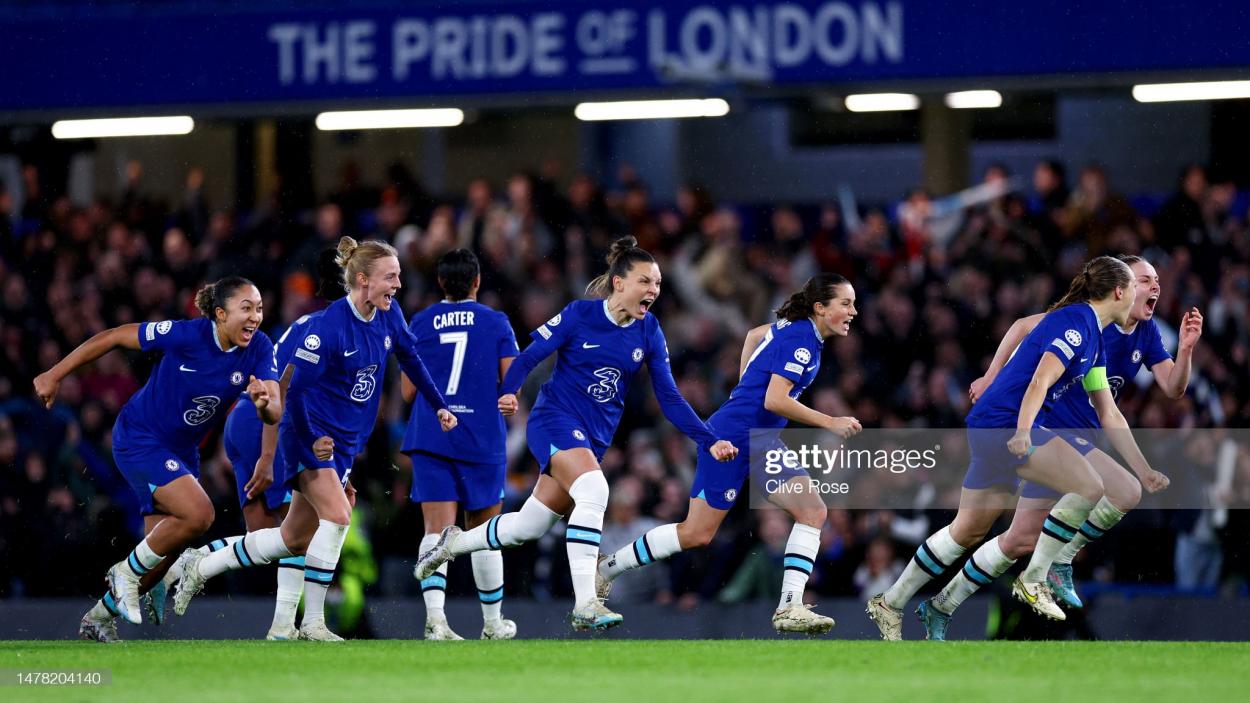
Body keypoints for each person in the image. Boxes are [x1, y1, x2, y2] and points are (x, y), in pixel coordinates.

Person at [414, 236, 738, 631]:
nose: (653, 290)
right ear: (619, 283)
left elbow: (669, 398)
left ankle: (455, 543)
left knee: (528, 526)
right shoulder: (579, 315)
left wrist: (707, 439)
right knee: (595, 490)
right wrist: (509, 391)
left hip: (592, 438)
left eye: (657, 284)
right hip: (554, 421)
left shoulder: (649, 330)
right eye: (645, 281)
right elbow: (531, 356)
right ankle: (586, 601)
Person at [173, 237, 455, 641]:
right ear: (361, 279)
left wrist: (439, 405)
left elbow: (410, 357)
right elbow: (290, 395)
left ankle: (206, 567)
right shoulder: (325, 330)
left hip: (332, 438)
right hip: (293, 430)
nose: (399, 284)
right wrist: (296, 447)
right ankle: (312, 623)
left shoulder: (389, 317)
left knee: (292, 538)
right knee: (338, 517)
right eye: (390, 276)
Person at [867, 256, 1161, 639]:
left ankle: (890, 603)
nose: (1145, 296)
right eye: (1137, 287)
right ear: (1119, 291)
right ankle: (1037, 577)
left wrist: (1144, 468)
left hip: (992, 425)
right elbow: (1040, 381)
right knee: (1089, 486)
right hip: (1006, 424)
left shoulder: (1094, 340)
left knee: (966, 531)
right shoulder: (1076, 323)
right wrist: (1023, 431)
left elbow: (1109, 409)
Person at [596, 273, 862, 634]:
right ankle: (606, 569)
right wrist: (829, 421)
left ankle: (790, 607)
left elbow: (754, 335)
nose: (853, 311)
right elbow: (775, 399)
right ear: (820, 307)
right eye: (845, 303)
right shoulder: (802, 339)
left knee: (812, 510)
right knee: (696, 534)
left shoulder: (796, 328)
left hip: (762, 440)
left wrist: (742, 386)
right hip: (731, 439)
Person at [33, 277, 281, 642]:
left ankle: (99, 617)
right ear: (219, 313)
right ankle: (124, 575)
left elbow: (275, 408)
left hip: (182, 452)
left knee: (161, 557)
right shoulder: (186, 335)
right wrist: (54, 374)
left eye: (259, 308)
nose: (255, 316)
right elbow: (115, 335)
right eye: (246, 307)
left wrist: (264, 405)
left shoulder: (259, 347)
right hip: (140, 438)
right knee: (200, 514)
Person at [218, 250, 347, 639]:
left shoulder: (340, 324)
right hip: (264, 423)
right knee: (293, 529)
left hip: (259, 422)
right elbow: (283, 392)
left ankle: (280, 625)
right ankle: (199, 564)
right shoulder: (325, 327)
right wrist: (271, 458)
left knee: (272, 533)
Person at [400, 249, 520, 640]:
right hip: (481, 437)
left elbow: (405, 391)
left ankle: (436, 622)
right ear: (477, 281)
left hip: (433, 434)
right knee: (485, 532)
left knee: (436, 530)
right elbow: (510, 383)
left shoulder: (419, 321)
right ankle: (492, 624)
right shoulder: (496, 322)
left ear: (440, 283)